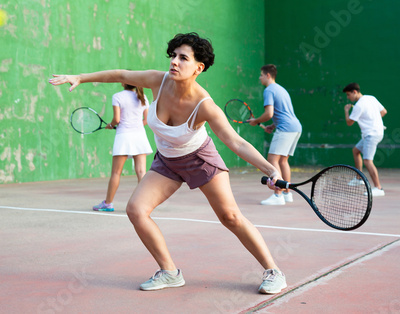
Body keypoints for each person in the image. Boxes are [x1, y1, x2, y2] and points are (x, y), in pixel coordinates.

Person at [49, 32, 287, 294]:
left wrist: (271, 169)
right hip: (167, 161)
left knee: (230, 217)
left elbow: (236, 142)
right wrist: (80, 78)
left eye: (183, 58)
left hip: (200, 159)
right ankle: (170, 272)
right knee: (136, 210)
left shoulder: (205, 105)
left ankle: (273, 271)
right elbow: (121, 74)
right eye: (173, 55)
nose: (174, 61)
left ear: (199, 67)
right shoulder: (157, 81)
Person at [92, 83, 153, 212]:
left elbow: (117, 119)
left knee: (116, 172)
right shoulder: (143, 97)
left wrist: (110, 125)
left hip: (123, 137)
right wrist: (134, 127)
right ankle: (144, 204)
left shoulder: (117, 96)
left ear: (123, 83)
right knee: (142, 172)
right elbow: (146, 120)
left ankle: (108, 204)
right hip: (140, 136)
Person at [248, 64, 302, 206]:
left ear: (268, 75)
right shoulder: (281, 89)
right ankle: (287, 193)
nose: (259, 78)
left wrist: (256, 121)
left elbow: (269, 113)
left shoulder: (269, 90)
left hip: (285, 128)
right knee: (283, 161)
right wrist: (272, 126)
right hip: (295, 127)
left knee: (272, 160)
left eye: (261, 75)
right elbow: (284, 112)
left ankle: (277, 195)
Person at [343, 82, 387, 197]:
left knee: (368, 160)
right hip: (376, 132)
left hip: (371, 135)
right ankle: (359, 178)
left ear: (355, 92)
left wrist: (346, 111)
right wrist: (373, 119)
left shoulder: (358, 106)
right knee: (356, 150)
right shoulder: (371, 98)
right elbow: (383, 112)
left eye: (348, 95)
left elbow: (349, 122)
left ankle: (378, 188)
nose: (348, 98)